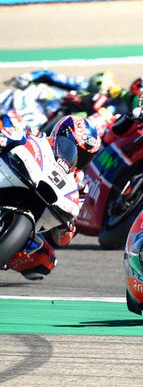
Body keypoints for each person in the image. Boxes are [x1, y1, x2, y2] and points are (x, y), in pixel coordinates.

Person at [2, 115, 101, 280]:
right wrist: (4, 139)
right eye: (74, 149)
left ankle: (6, 250)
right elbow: (9, 133)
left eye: (85, 156)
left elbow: (64, 236)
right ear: (61, 136)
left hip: (37, 213)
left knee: (45, 260)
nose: (78, 158)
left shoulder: (80, 183)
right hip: (13, 176)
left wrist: (68, 228)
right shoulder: (37, 138)